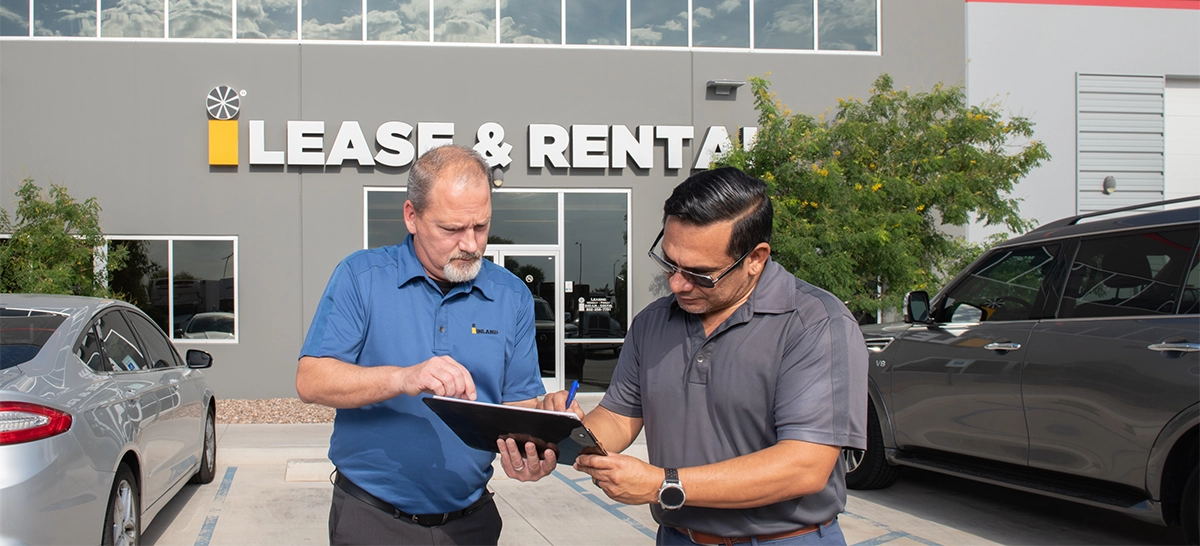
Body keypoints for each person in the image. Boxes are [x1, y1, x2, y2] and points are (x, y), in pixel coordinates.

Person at [507, 166, 868, 545]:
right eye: (669, 263)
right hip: (677, 537)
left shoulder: (815, 325)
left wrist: (664, 484)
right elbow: (619, 416)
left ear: (756, 258)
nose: (677, 283)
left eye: (700, 273)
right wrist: (567, 433)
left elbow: (804, 466)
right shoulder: (653, 323)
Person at [297, 144, 557, 546]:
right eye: (452, 229)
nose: (470, 244)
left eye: (481, 226)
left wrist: (534, 443)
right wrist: (404, 377)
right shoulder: (360, 277)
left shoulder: (512, 295)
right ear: (412, 216)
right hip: (373, 520)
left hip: (472, 522)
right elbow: (311, 380)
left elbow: (518, 405)